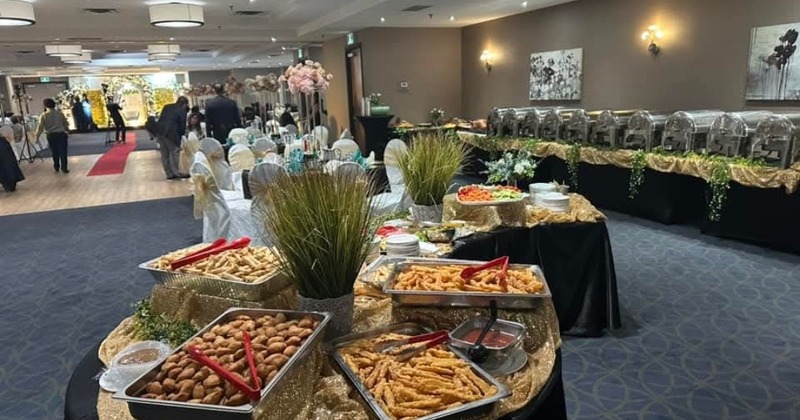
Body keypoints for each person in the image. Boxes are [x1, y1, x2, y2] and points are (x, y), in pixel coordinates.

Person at [155, 96, 189, 180]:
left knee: (164, 154)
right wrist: (180, 137)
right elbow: (182, 126)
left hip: (160, 131)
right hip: (171, 133)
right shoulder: (182, 111)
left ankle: (169, 174)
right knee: (175, 152)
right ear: (184, 104)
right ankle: (178, 172)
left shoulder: (167, 107)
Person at [34, 98, 71, 174]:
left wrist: (37, 137)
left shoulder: (44, 115)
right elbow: (65, 123)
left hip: (51, 135)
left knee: (54, 151)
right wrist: (67, 130)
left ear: (45, 106)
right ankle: (64, 168)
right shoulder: (60, 113)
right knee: (63, 152)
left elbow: (40, 127)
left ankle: (56, 166)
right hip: (61, 134)